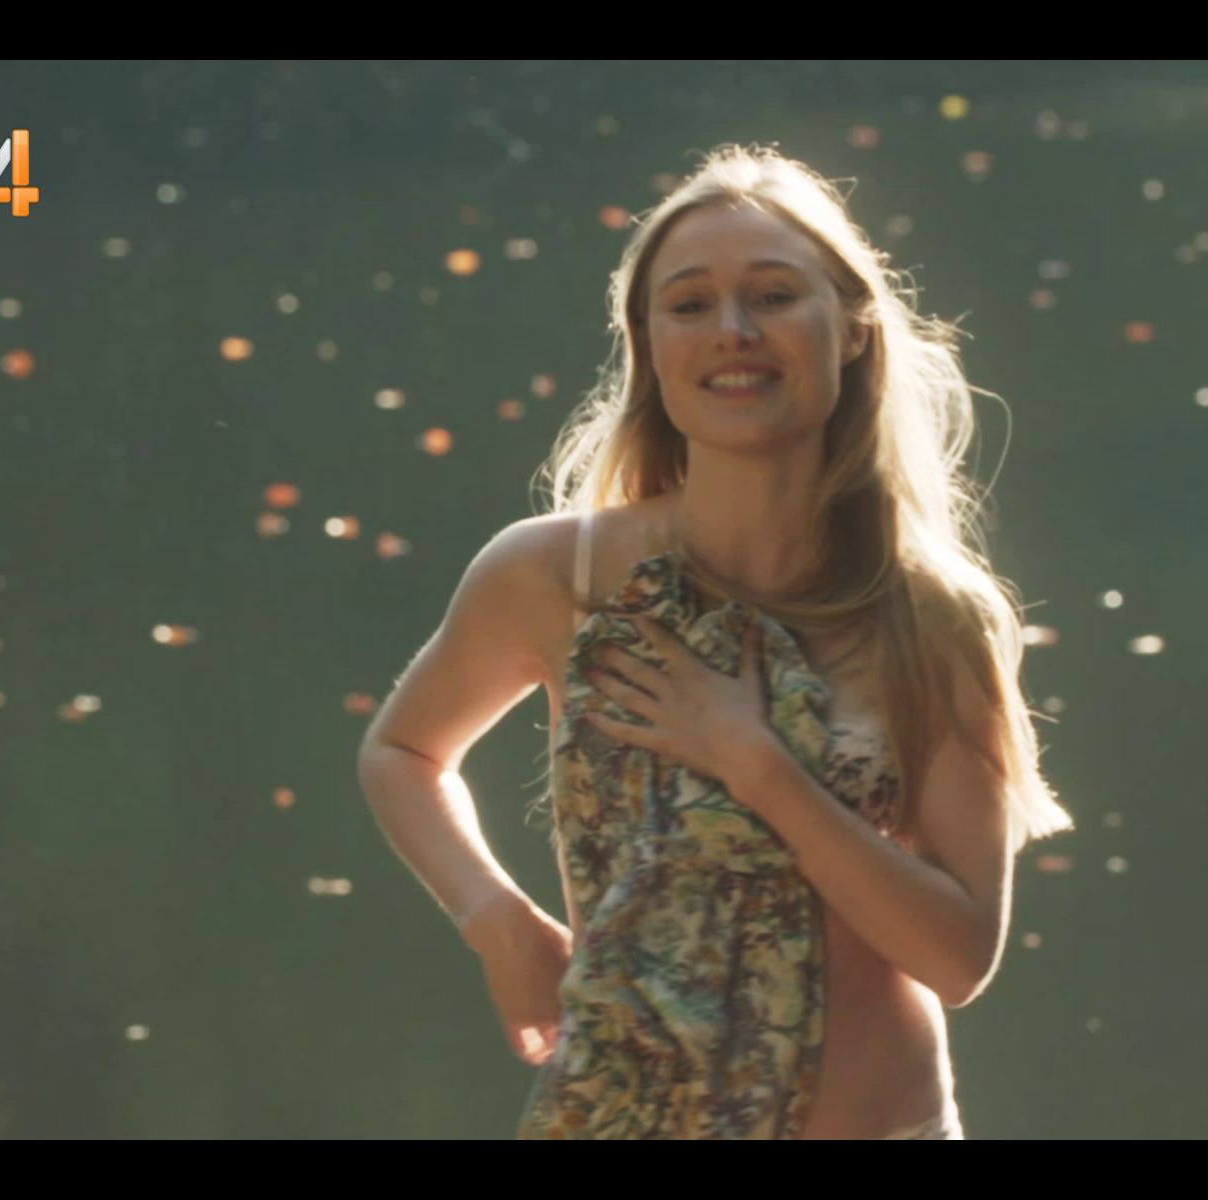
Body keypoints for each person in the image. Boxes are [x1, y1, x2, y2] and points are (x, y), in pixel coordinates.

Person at [357, 143, 1074, 1139]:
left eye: (773, 295)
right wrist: (498, 922)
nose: (733, 330)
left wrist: (757, 762)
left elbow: (958, 960)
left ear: (854, 327)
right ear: (649, 346)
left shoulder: (930, 619)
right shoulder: (558, 576)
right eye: (690, 304)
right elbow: (402, 753)